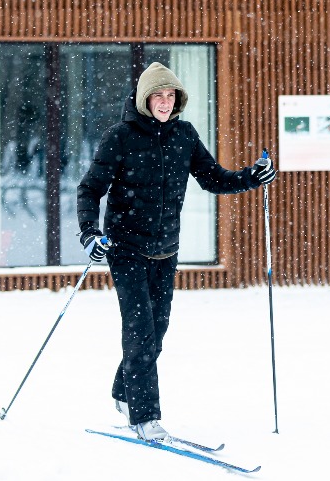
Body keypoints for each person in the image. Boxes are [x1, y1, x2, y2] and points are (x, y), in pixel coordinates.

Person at [77, 62, 277, 443]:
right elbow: (89, 190)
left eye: (171, 96)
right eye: (158, 95)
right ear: (143, 99)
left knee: (157, 333)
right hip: (127, 250)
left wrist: (252, 176)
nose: (165, 103)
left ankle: (124, 391)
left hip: (166, 251)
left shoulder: (184, 135)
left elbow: (213, 178)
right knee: (139, 332)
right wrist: (90, 233)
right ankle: (146, 417)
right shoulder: (120, 137)